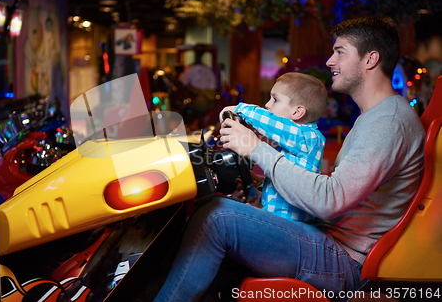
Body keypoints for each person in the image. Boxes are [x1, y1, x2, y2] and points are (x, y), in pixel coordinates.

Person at [153, 16, 425, 302]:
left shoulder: (388, 122)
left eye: (340, 52)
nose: (330, 61)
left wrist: (256, 148)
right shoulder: (375, 117)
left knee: (217, 217)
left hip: (345, 261)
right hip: (328, 240)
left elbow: (329, 200)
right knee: (212, 205)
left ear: (370, 59)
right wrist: (261, 187)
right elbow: (334, 190)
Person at [220, 72, 327, 223]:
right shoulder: (293, 141)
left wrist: (240, 109)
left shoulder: (308, 138)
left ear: (297, 112)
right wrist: (258, 192)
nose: (268, 104)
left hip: (290, 225)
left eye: (275, 99)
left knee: (220, 214)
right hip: (275, 216)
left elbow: (270, 122)